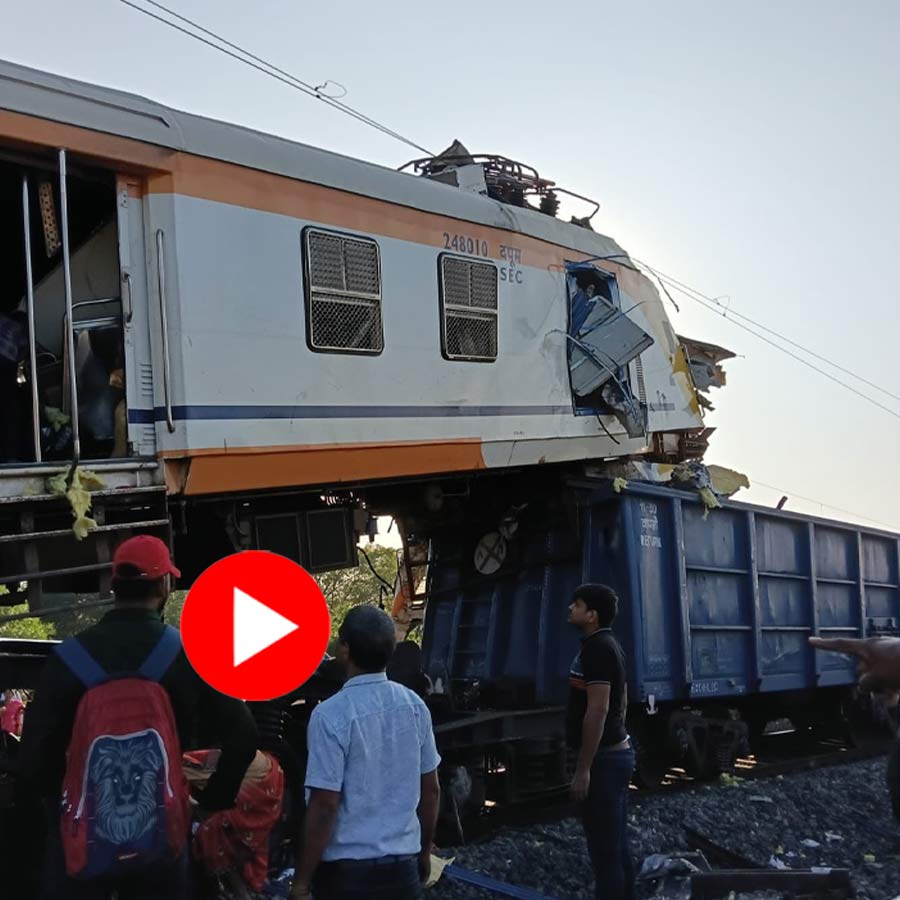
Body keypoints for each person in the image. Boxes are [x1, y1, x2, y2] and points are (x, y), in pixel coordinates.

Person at [20, 534, 258, 900]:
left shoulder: (69, 658)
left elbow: (35, 758)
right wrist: (210, 802)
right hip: (162, 838)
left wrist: (62, 813)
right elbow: (243, 734)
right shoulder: (186, 654)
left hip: (82, 840)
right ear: (164, 584)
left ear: (114, 586)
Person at [291, 605, 441, 900]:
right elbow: (431, 790)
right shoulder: (415, 707)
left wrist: (301, 882)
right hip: (403, 873)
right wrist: (424, 853)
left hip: (347, 879)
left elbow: (324, 806)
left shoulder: (330, 715)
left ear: (345, 649)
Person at [566, 583, 635, 900]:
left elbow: (599, 709)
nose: (571, 608)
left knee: (605, 852)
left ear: (591, 615)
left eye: (577, 605)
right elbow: (620, 698)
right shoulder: (604, 644)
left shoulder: (598, 648)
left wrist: (584, 768)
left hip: (605, 761)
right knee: (615, 846)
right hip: (612, 756)